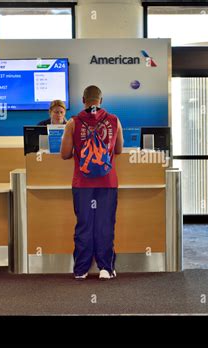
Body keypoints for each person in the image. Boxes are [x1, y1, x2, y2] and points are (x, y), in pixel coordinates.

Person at [60, 85, 124, 280]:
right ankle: (106, 268)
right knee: (105, 224)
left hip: (82, 184)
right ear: (101, 100)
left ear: (83, 100)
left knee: (84, 225)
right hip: (107, 182)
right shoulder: (114, 120)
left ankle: (81, 269)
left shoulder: (73, 122)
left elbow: (64, 154)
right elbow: (119, 150)